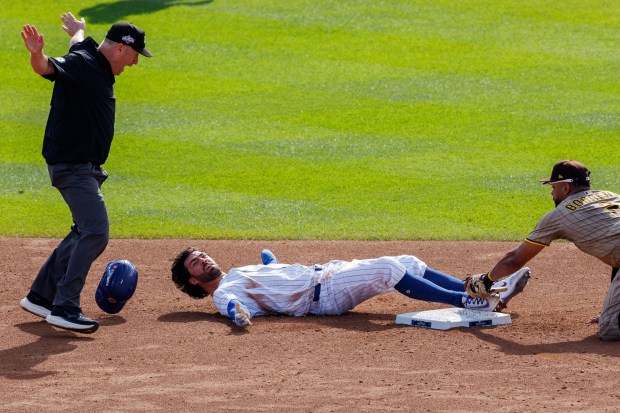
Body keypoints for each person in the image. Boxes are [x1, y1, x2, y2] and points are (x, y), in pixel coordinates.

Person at [19, 12, 152, 334]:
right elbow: (48, 67)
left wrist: (78, 31)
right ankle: (65, 306)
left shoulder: (91, 57)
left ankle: (41, 297)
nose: (135, 63)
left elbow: (77, 45)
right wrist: (37, 54)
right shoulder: (83, 65)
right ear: (121, 48)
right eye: (135, 55)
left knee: (83, 230)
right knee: (95, 232)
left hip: (82, 166)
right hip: (73, 166)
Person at [170, 248, 530, 328]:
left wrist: (270, 263)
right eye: (195, 264)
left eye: (201, 255)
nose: (202, 259)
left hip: (325, 275)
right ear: (193, 281)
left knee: (407, 262)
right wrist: (236, 314)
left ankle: (486, 289)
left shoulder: (236, 270)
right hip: (323, 296)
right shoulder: (221, 290)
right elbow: (230, 302)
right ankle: (470, 301)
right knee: (389, 269)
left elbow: (272, 280)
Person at [465, 160, 620, 340]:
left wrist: (487, 280)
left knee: (609, 327)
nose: (551, 192)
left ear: (566, 187)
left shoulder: (559, 215)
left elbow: (514, 259)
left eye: (553, 187)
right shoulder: (611, 196)